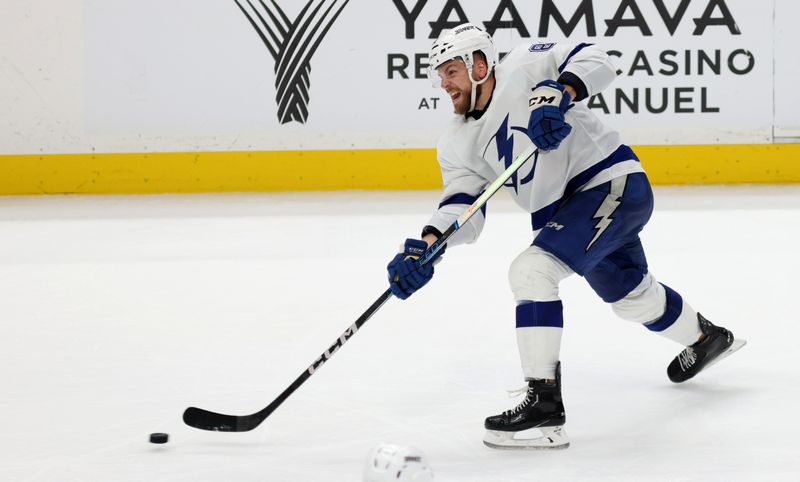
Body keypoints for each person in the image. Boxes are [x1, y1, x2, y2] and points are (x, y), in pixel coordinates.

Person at [385, 23, 745, 450]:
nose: (443, 83)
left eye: (450, 71)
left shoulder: (527, 63)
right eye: (439, 74)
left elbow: (597, 57)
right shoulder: (456, 142)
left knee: (531, 271)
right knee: (631, 298)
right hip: (570, 212)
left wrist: (560, 93)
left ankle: (544, 408)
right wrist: (429, 245)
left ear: (478, 65)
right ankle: (707, 339)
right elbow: (463, 206)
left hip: (609, 183)